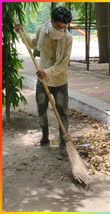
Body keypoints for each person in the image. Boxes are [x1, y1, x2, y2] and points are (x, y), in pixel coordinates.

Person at [15, 6, 72, 158]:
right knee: (41, 110)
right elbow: (33, 44)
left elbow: (63, 64)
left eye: (65, 27)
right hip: (43, 80)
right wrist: (22, 33)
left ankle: (63, 145)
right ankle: (45, 136)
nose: (62, 30)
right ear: (52, 21)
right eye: (59, 26)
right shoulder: (42, 30)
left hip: (59, 80)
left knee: (63, 113)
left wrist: (46, 71)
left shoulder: (67, 38)